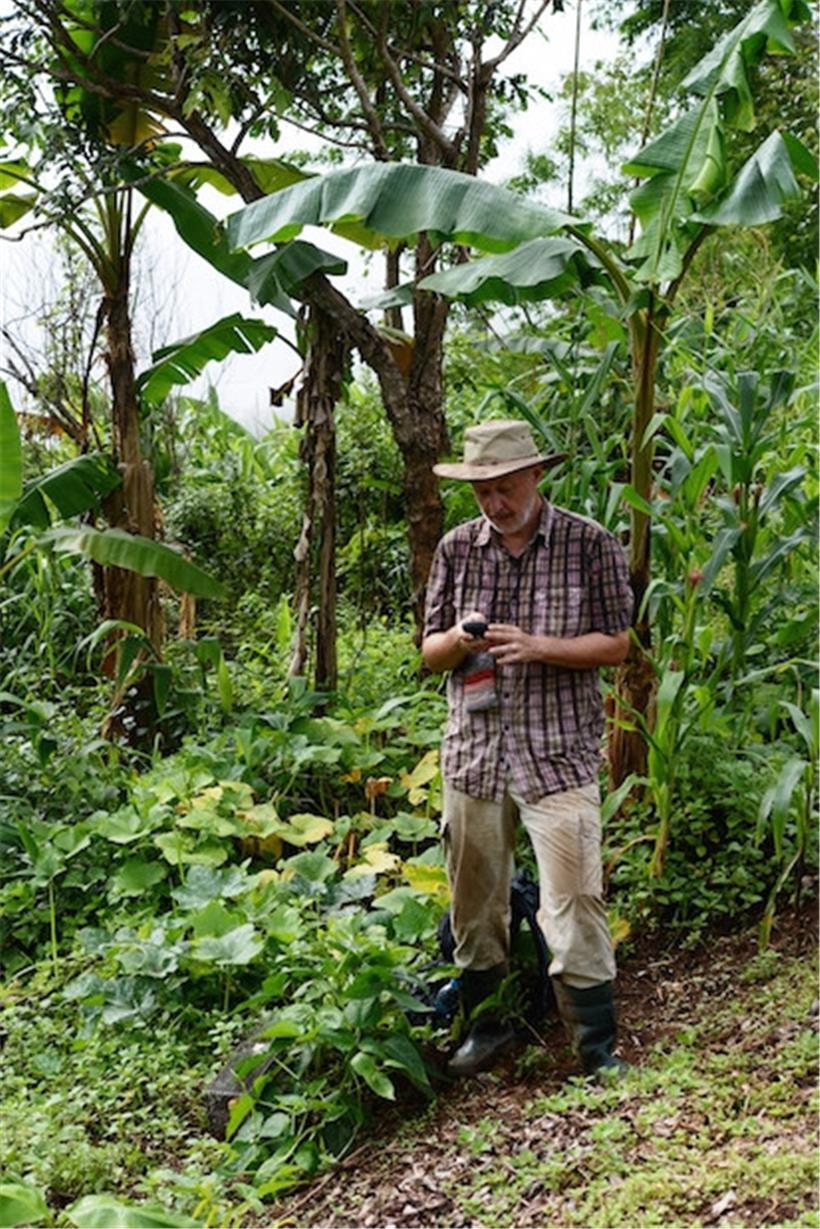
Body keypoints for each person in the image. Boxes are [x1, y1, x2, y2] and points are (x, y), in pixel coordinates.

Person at [422, 419, 633, 1078]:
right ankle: (491, 1028)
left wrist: (539, 645)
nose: (494, 503)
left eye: (505, 486)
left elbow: (619, 643)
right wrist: (460, 638)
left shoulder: (587, 544)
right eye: (482, 490)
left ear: (537, 476)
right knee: (475, 902)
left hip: (556, 755)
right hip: (474, 756)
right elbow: (429, 652)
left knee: (574, 899)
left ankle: (595, 1047)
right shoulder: (457, 549)